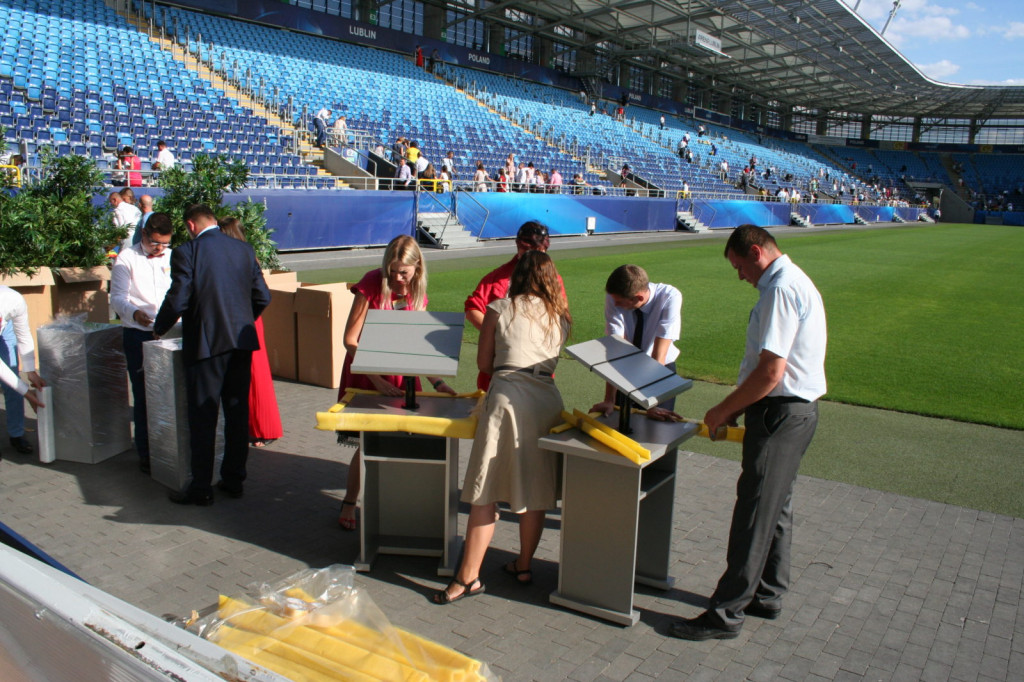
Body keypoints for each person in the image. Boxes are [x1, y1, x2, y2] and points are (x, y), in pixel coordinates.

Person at [669, 225, 826, 641]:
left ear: (756, 253)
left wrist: (724, 409)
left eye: (740, 267)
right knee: (777, 507)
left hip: (780, 414)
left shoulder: (780, 289)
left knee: (755, 513)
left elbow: (771, 372)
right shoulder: (792, 282)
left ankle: (725, 613)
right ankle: (768, 593)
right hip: (793, 412)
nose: (739, 276)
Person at [434, 251, 571, 604]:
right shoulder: (561, 316)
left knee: (485, 489)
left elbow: (483, 362)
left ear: (518, 276)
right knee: (536, 491)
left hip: (507, 397)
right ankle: (523, 565)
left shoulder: (499, 308)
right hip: (547, 400)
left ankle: (467, 577)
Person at [336, 235, 457, 529]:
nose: (398, 278)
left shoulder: (416, 293)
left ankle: (393, 503)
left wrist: (438, 381)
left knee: (397, 441)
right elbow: (349, 340)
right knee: (365, 443)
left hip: (398, 376)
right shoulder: (371, 284)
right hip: (366, 374)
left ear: (418, 267)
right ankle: (350, 502)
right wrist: (375, 378)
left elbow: (415, 343)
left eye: (404, 272)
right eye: (393, 271)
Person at [153, 204, 271, 506]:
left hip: (206, 346)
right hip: (240, 344)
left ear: (191, 225)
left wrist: (159, 328)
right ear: (214, 222)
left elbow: (178, 296)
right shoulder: (244, 250)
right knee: (236, 414)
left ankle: (201, 487)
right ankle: (234, 480)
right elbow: (263, 296)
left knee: (203, 417)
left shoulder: (187, 252)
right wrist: (243, 320)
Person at [110, 212, 174, 473]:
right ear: (145, 235)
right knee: (144, 394)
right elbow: (117, 298)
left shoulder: (173, 256)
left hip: (171, 331)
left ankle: (172, 447)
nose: (160, 248)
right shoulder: (127, 258)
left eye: (165, 244)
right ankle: (146, 453)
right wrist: (134, 313)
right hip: (139, 333)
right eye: (155, 243)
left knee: (172, 392)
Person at [218, 217, 282, 448]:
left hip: (244, 320)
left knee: (254, 374)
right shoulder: (246, 256)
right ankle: (257, 428)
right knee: (253, 374)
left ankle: (260, 429)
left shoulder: (237, 258)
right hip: (249, 319)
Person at [590, 265, 682, 421]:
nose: (616, 305)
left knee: (658, 430)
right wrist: (609, 400)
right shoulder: (614, 298)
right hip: (626, 368)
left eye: (620, 302)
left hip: (660, 369)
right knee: (620, 424)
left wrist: (652, 404)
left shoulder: (669, 296)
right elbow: (615, 349)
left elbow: (658, 354)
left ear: (638, 298)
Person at [0, 286, 46, 459]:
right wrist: (26, 392)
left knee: (12, 380)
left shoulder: (13, 300)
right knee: (14, 382)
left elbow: (23, 335)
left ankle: (16, 434)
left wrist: (31, 371)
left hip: (7, 328)